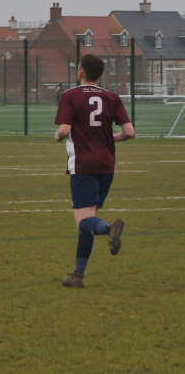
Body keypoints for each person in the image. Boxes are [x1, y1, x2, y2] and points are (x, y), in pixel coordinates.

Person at [54, 54, 134, 288]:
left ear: (80, 72)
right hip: (106, 165)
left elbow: (64, 130)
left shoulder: (70, 95)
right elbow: (129, 132)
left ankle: (110, 228)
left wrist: (57, 136)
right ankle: (78, 276)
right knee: (89, 221)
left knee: (83, 223)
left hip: (83, 165)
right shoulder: (112, 97)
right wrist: (110, 138)